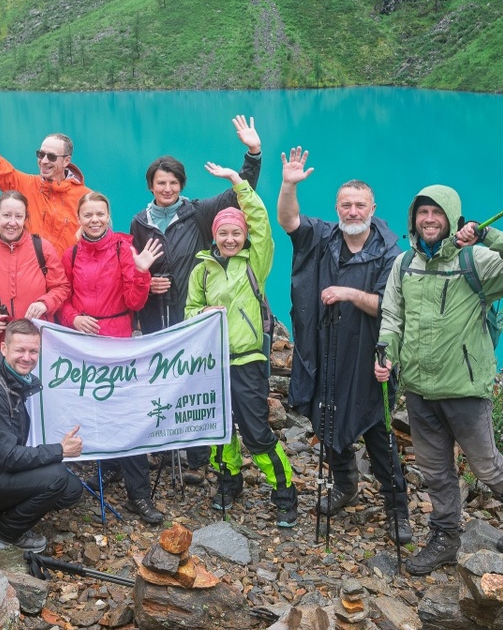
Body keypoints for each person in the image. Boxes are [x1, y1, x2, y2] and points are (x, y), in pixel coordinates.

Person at [376, 185, 503, 575]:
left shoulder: (477, 261)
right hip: (420, 389)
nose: (429, 220)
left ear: (453, 218)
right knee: (434, 471)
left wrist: (490, 235)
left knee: (486, 466)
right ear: (414, 220)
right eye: (423, 213)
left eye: (437, 213)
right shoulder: (405, 264)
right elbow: (392, 316)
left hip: (465, 389)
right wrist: (385, 350)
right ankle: (444, 538)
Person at [276, 147, 410, 543]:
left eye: (360, 205)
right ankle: (346, 484)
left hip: (370, 358)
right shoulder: (322, 236)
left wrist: (350, 293)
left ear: (372, 208)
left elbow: (389, 304)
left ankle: (397, 508)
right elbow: (288, 220)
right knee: (325, 422)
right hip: (326, 351)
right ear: (337, 207)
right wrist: (288, 184)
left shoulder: (389, 252)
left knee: (379, 435)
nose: (353, 211)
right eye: (346, 205)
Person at [130, 116, 263, 482]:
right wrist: (146, 281)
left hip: (197, 313)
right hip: (158, 313)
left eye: (173, 182)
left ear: (181, 185)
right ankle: (163, 443)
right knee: (162, 377)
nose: (167, 188)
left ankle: (197, 453)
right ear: (151, 186)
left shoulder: (200, 212)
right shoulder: (140, 222)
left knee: (197, 379)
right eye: (161, 183)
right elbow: (133, 267)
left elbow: (240, 193)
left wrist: (252, 154)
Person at [185, 162, 297, 524]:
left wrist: (240, 185)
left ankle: (284, 490)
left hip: (247, 359)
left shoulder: (256, 262)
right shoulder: (201, 270)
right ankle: (229, 481)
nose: (230, 239)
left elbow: (263, 225)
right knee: (218, 427)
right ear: (214, 236)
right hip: (213, 362)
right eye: (224, 233)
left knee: (256, 430)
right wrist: (203, 315)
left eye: (236, 233)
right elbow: (189, 313)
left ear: (243, 235)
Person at [56, 192, 165, 525]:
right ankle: (110, 467)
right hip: (85, 345)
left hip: (118, 342)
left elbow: (134, 302)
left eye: (100, 214)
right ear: (79, 218)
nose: (94, 220)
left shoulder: (122, 248)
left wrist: (142, 271)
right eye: (88, 214)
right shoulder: (70, 255)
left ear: (108, 216)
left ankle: (140, 494)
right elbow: (64, 301)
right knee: (96, 411)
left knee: (127, 416)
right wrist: (74, 318)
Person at [0, 318, 84, 552]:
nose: (27, 357)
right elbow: (9, 457)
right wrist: (59, 450)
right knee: (57, 477)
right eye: (20, 350)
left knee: (71, 489)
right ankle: (1, 532)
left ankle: (3, 514)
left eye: (33, 351)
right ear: (4, 348)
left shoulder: (12, 382)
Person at [0, 81, 88, 255]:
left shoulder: (85, 198)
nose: (44, 161)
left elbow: (98, 241)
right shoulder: (24, 185)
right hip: (27, 275)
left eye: (51, 157)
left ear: (67, 161)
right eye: (40, 154)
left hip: (63, 279)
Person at [0, 191, 70, 358]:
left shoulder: (42, 248)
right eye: (6, 215)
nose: (12, 222)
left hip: (37, 347)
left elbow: (61, 287)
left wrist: (45, 303)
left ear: (25, 218)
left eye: (18, 216)